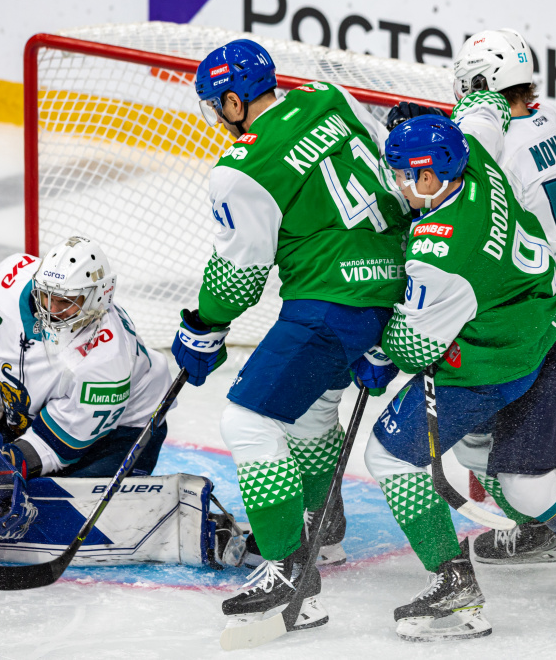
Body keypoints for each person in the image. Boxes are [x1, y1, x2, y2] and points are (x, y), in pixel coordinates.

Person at [362, 116, 556, 642]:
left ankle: (456, 584)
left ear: (430, 177)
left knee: (401, 457)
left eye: (403, 175)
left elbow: (414, 347)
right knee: (482, 448)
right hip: (545, 319)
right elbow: (485, 105)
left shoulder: (441, 254)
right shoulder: (476, 154)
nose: (397, 185)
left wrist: (380, 341)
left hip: (506, 356)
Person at [171, 38, 411, 631]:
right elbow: (398, 179)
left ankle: (287, 571)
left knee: (248, 420)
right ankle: (324, 529)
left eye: (216, 105)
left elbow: (240, 277)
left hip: (333, 305)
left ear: (233, 102)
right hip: (397, 286)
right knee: (311, 414)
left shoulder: (242, 168)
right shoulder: (330, 97)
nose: (217, 117)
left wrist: (204, 323)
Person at [441, 28, 556, 565]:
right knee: (530, 420)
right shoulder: (551, 117)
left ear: (480, 85)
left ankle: (543, 526)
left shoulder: (496, 152)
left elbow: (471, 220)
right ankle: (549, 514)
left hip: (542, 309)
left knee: (488, 435)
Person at [0, 235, 174, 548]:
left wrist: (11, 460)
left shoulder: (106, 360)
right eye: (45, 296)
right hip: (46, 405)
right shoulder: (7, 282)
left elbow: (58, 445)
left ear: (98, 296)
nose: (50, 309)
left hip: (122, 428)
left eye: (65, 301)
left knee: (45, 499)